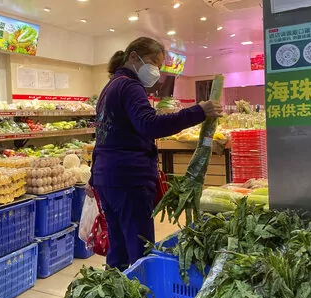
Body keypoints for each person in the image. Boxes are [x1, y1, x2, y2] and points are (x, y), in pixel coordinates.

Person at [87, 37, 222, 270]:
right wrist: (199, 111)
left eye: (159, 66)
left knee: (118, 248)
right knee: (141, 249)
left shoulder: (109, 87)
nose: (155, 71)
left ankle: (116, 296)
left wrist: (93, 176)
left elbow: (102, 137)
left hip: (107, 179)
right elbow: (150, 125)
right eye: (152, 62)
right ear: (133, 57)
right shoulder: (130, 86)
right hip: (129, 178)